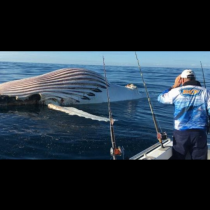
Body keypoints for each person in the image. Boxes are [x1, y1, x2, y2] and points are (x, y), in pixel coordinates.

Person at [157, 69, 210, 160]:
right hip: (200, 133)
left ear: (181, 80)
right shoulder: (206, 92)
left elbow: (160, 98)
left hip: (181, 133)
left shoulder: (176, 91)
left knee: (178, 157)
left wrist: (174, 86)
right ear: (194, 78)